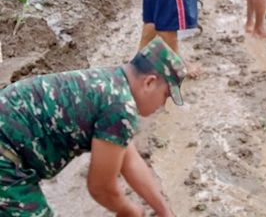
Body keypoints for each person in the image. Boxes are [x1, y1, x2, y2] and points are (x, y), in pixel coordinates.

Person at [0, 37, 186, 216]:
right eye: (165, 95)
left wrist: (164, 211)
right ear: (150, 82)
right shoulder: (120, 107)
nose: (162, 105)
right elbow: (101, 188)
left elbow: (129, 160)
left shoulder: (112, 83)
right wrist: (128, 210)